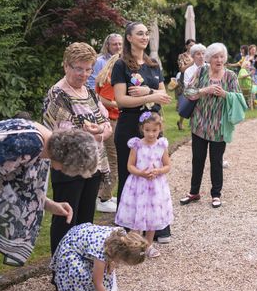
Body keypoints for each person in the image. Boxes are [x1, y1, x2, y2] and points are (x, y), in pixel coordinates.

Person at [0, 118, 97, 291]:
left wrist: (51, 205)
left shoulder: (45, 143)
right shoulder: (31, 143)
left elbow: (18, 184)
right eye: (74, 171)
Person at [42, 42, 113, 256]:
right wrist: (91, 131)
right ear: (66, 66)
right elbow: (58, 135)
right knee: (66, 219)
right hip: (68, 167)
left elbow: (107, 125)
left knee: (85, 220)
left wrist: (98, 131)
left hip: (94, 165)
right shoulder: (57, 94)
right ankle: (61, 270)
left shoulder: (89, 92)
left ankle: (80, 268)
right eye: (78, 68)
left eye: (88, 69)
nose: (83, 74)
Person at [111, 22, 172, 242]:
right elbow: (121, 100)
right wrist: (148, 97)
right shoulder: (121, 66)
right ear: (128, 38)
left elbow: (164, 96)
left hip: (154, 129)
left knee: (156, 174)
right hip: (130, 128)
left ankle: (157, 227)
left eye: (147, 34)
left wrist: (149, 91)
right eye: (140, 34)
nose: (144, 37)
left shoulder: (153, 65)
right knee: (130, 178)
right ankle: (127, 231)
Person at [180, 43, 242, 208]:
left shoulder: (230, 76)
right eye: (215, 57)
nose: (219, 60)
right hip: (199, 124)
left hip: (219, 126)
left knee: (216, 160)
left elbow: (239, 98)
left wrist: (225, 94)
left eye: (222, 56)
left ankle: (216, 194)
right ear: (209, 58)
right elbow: (187, 92)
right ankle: (194, 192)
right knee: (197, 159)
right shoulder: (200, 72)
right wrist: (204, 90)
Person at [114, 112, 172, 258]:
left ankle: (148, 245)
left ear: (159, 129)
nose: (151, 134)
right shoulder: (137, 145)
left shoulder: (161, 145)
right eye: (147, 130)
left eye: (154, 130)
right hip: (138, 186)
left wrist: (158, 171)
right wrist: (141, 173)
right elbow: (130, 166)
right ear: (142, 129)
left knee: (152, 217)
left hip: (155, 186)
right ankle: (134, 246)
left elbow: (167, 165)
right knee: (136, 217)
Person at [50, 223, 147, 291]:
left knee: (106, 274)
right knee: (81, 277)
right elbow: (97, 283)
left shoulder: (123, 239)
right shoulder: (101, 251)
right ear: (122, 255)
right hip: (72, 249)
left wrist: (111, 263)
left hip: (83, 239)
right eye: (124, 262)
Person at [94, 55, 121, 214]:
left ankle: (104, 195)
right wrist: (120, 103)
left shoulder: (104, 76)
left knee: (106, 158)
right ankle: (104, 197)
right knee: (113, 160)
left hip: (105, 121)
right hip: (111, 121)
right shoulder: (111, 78)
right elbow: (103, 99)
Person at [176, 39, 196, 131]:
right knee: (186, 103)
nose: (192, 47)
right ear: (186, 46)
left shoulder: (197, 55)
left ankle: (194, 123)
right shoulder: (182, 56)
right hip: (184, 80)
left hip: (195, 80)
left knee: (195, 102)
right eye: (190, 45)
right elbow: (182, 70)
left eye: (193, 45)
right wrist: (191, 63)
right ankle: (180, 121)